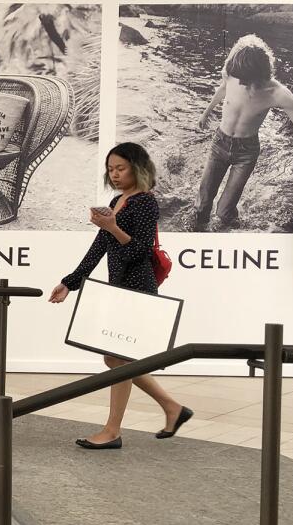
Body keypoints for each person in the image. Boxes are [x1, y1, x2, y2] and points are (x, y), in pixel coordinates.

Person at [50, 143, 193, 450]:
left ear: (137, 169)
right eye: (110, 169)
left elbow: (136, 251)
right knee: (116, 358)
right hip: (119, 284)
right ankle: (172, 408)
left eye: (120, 168)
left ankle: (114, 430)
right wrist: (70, 282)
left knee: (118, 358)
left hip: (137, 285)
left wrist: (112, 227)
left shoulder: (145, 202)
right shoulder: (118, 201)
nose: (114, 174)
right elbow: (99, 247)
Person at [193, 33, 293, 231]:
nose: (240, 82)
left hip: (246, 153)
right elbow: (223, 89)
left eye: (245, 79)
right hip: (219, 142)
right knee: (202, 204)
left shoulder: (280, 95)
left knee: (224, 212)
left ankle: (238, 233)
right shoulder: (232, 72)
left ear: (260, 74)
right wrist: (205, 113)